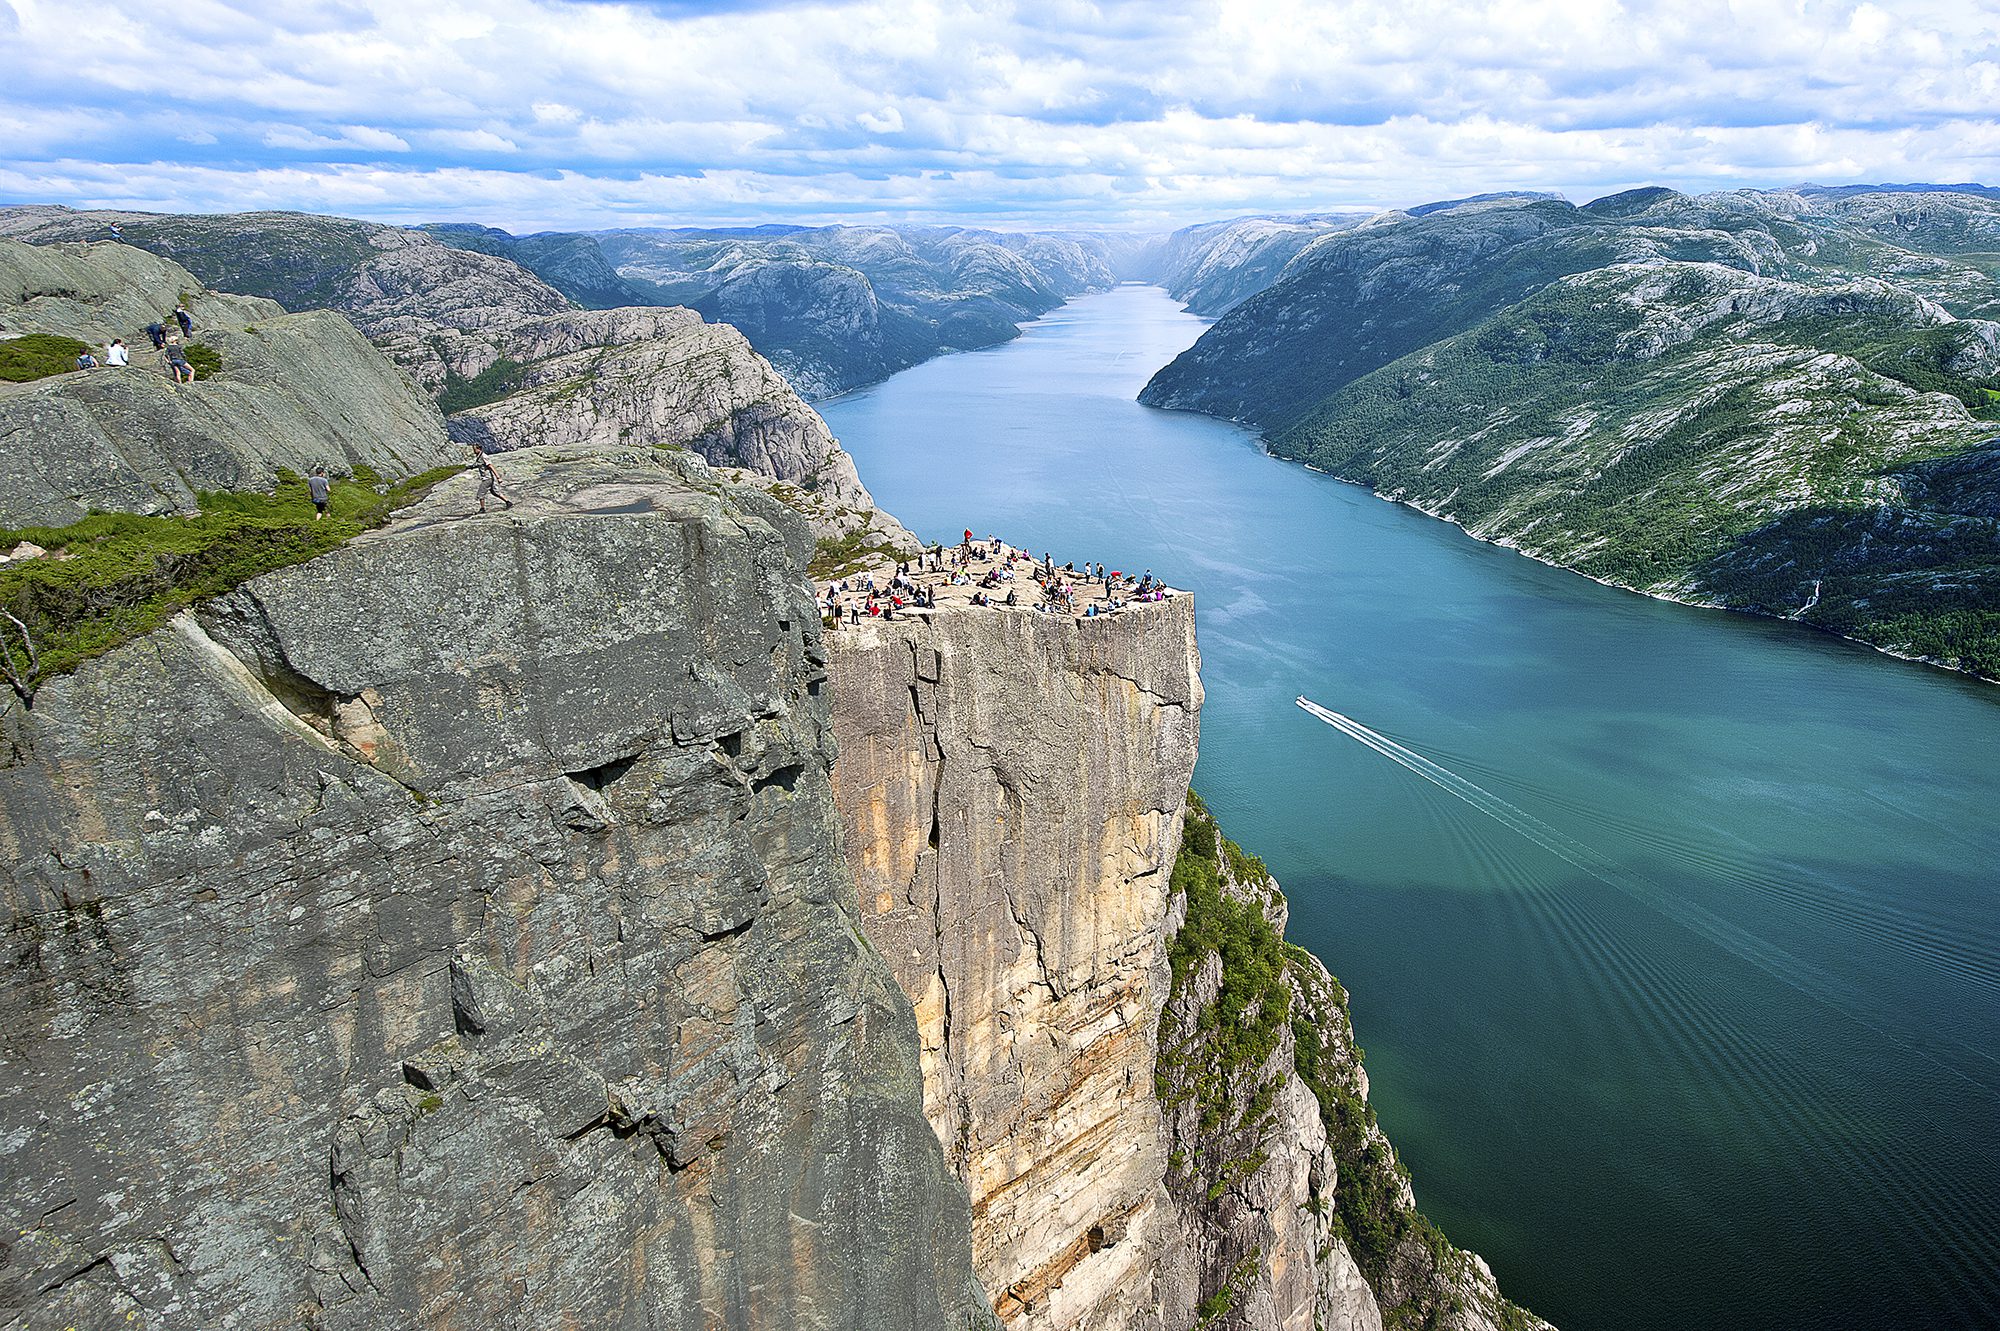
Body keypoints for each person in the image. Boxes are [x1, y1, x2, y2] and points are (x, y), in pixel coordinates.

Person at [472, 444, 513, 512]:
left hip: (487, 478)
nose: (473, 451)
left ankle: (482, 509)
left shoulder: (484, 456)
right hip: (489, 478)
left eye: (474, 449)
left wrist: (498, 477)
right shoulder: (479, 456)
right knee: (494, 492)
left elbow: (491, 466)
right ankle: (508, 502)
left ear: (479, 449)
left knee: (480, 493)